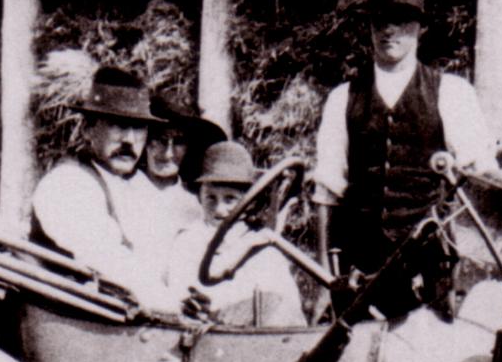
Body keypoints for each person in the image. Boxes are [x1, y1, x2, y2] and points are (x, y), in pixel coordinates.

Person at [311, 0, 502, 316]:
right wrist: (324, 275)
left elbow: (478, 166)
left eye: (401, 20)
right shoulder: (343, 98)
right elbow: (326, 190)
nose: (389, 30)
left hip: (424, 266)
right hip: (359, 267)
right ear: (369, 28)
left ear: (420, 28)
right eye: (380, 21)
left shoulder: (452, 93)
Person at [29, 66, 184, 315]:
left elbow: (165, 261)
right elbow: (111, 262)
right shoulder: (67, 184)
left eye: (138, 128)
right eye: (118, 125)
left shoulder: (137, 189)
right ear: (89, 129)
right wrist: (174, 309)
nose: (129, 140)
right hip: (78, 325)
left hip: (133, 324)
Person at [165, 141, 307, 327]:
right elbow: (178, 295)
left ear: (246, 202)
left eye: (230, 199)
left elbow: (284, 306)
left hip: (253, 339)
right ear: (200, 195)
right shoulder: (188, 241)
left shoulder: (261, 246)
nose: (219, 209)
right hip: (201, 339)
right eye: (211, 197)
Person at [145, 91, 225, 238]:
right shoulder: (123, 190)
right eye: (160, 139)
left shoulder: (198, 205)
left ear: (190, 147)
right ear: (146, 140)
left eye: (179, 142)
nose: (168, 153)